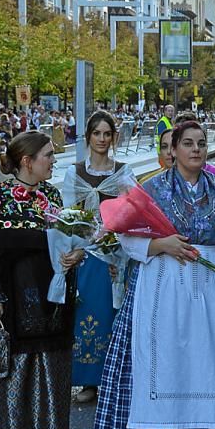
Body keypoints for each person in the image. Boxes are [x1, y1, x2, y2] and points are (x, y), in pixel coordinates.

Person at [94, 121, 215, 429]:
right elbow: (126, 238)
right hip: (162, 282)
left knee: (207, 361)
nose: (196, 149)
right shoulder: (151, 189)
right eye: (188, 143)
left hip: (210, 286)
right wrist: (159, 243)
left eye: (201, 143)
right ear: (173, 150)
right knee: (162, 359)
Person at [0, 131, 80, 429]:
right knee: (15, 361)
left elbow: (65, 239)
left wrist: (73, 255)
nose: (53, 161)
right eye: (48, 155)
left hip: (49, 290)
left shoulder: (52, 194)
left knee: (48, 359)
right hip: (13, 292)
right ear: (27, 161)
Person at [63, 112, 136, 405]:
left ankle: (114, 377)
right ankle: (89, 380)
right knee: (89, 314)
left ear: (113, 138)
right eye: (97, 134)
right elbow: (68, 216)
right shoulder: (75, 173)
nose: (102, 140)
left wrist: (112, 236)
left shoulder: (123, 173)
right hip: (87, 254)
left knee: (113, 314)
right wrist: (81, 244)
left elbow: (132, 212)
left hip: (116, 253)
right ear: (88, 137)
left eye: (107, 134)